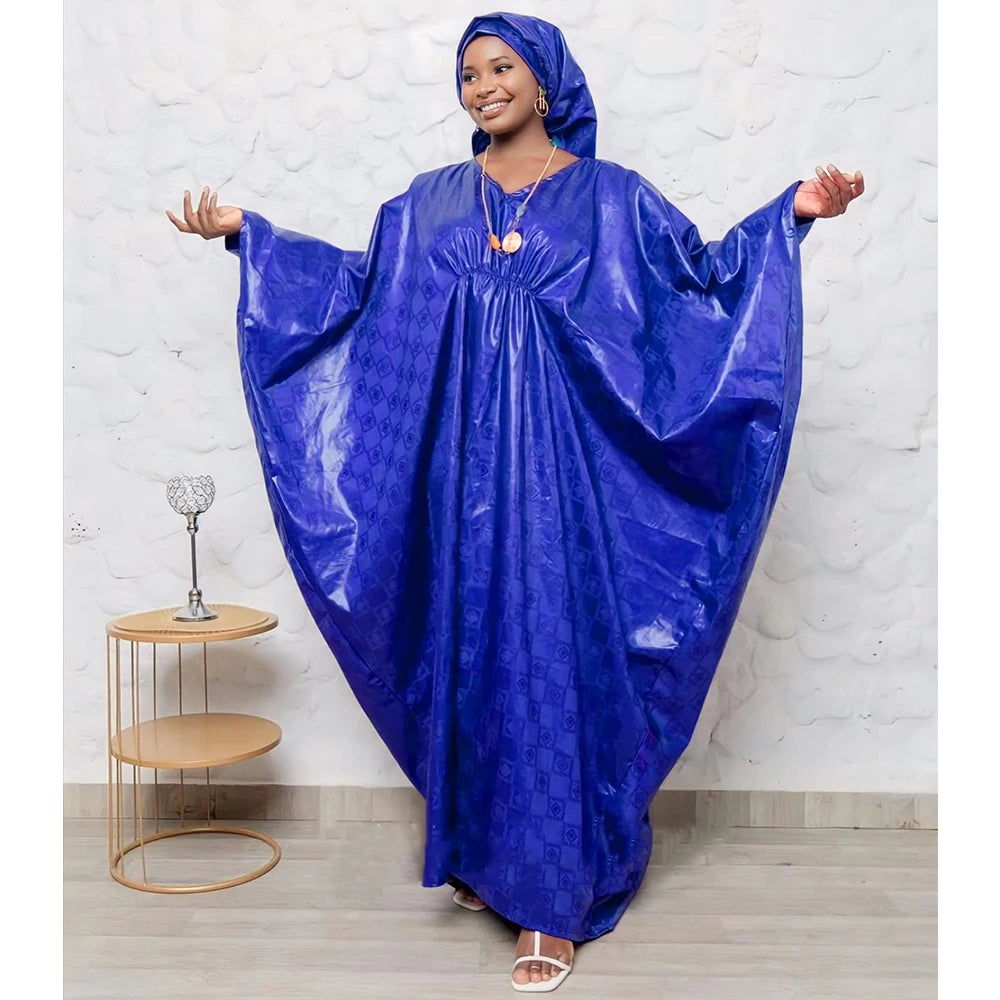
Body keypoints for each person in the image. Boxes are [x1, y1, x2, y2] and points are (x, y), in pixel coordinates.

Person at [167, 11, 863, 993]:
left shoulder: (612, 199)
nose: (484, 85)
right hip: (457, 489)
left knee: (547, 658)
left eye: (501, 67)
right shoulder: (429, 203)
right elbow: (358, 293)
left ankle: (551, 902)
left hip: (564, 489)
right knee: (469, 652)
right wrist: (252, 237)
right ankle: (487, 857)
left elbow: (702, 285)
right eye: (468, 73)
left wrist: (789, 215)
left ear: (544, 80)